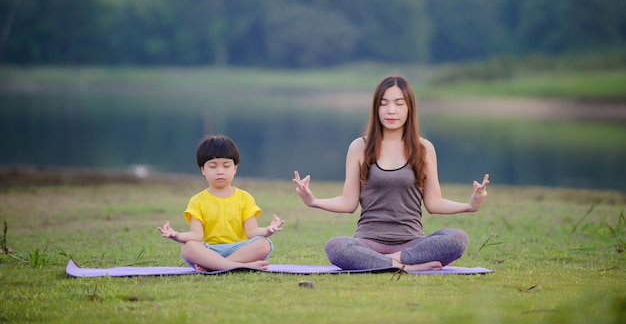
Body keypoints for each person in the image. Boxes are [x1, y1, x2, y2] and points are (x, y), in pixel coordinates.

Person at [293, 75, 490, 272]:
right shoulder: (359, 147)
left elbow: (434, 202)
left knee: (457, 239)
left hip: (412, 243)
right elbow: (348, 202)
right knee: (336, 247)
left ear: (409, 108)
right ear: (376, 108)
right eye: (384, 103)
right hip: (368, 242)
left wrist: (470, 205)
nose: (391, 110)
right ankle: (408, 267)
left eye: (399, 103)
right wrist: (314, 201)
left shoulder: (424, 148)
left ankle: (387, 262)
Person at [159, 134, 285, 271]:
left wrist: (268, 230)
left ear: (235, 168)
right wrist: (175, 235)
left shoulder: (245, 198)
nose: (220, 172)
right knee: (188, 248)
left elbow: (252, 231)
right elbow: (197, 235)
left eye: (226, 166)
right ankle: (240, 266)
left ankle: (215, 266)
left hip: (239, 250)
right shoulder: (197, 201)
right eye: (213, 166)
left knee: (264, 244)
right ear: (203, 169)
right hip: (208, 251)